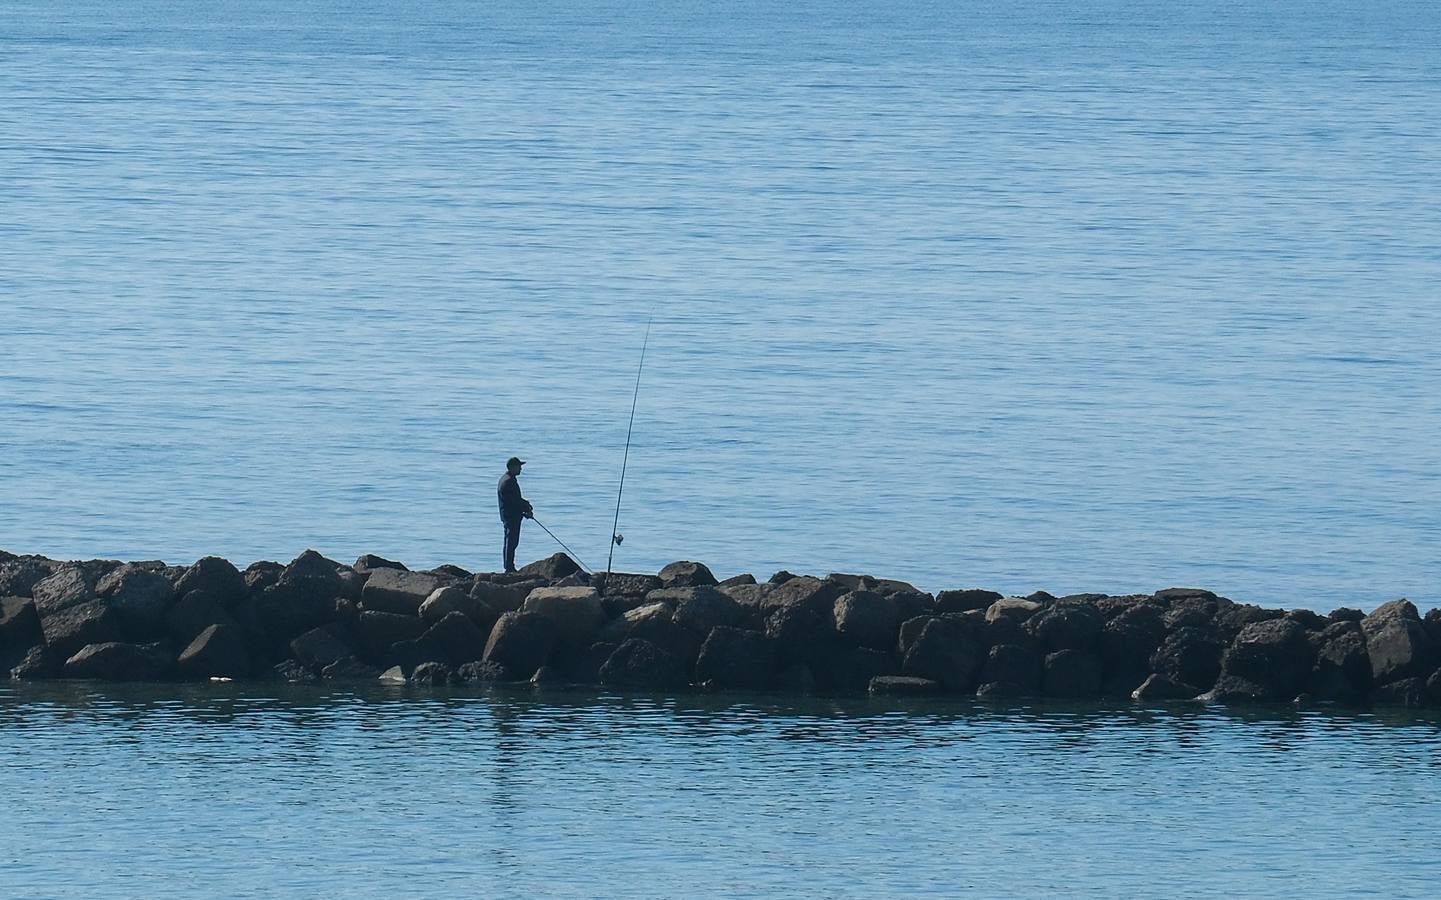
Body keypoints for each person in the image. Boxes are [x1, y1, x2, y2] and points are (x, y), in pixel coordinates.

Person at [497, 456, 533, 573]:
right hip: (511, 516)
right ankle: (509, 567)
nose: (521, 469)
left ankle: (508, 566)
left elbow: (515, 499)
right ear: (512, 467)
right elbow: (514, 501)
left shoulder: (507, 479)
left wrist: (525, 506)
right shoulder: (508, 481)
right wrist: (525, 507)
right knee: (511, 542)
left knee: (510, 541)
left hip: (509, 515)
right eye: (519, 466)